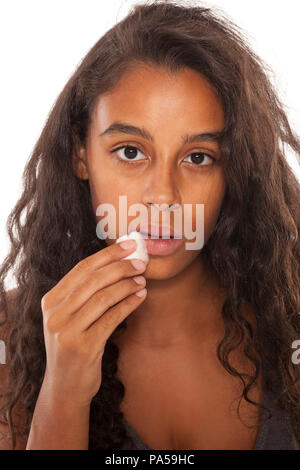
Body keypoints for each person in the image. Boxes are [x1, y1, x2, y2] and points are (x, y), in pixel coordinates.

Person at [0, 0, 299, 450]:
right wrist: (62, 391)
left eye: (198, 158)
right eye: (130, 151)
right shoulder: (9, 336)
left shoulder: (290, 322)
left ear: (234, 170)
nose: (163, 197)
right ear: (81, 155)